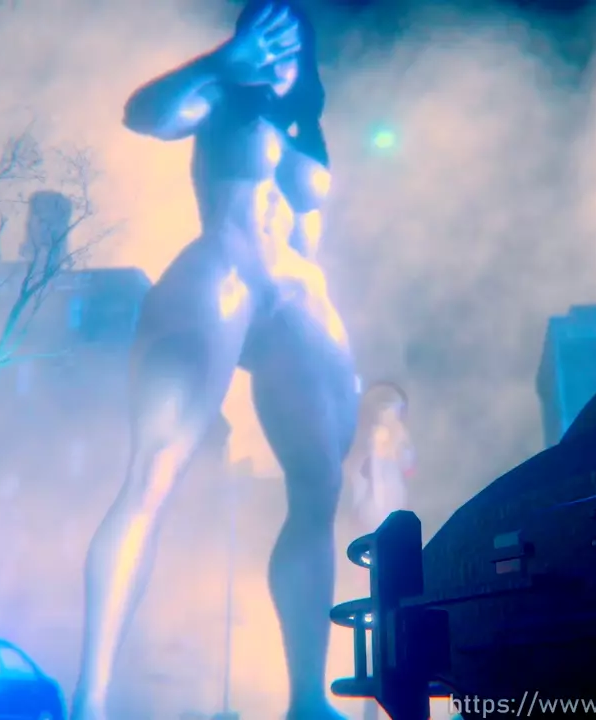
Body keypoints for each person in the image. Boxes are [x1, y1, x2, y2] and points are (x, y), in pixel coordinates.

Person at [72, 3, 357, 719]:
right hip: (223, 268)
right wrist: (220, 64)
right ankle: (90, 698)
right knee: (152, 474)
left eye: (291, 42)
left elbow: (312, 228)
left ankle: (306, 697)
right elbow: (143, 113)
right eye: (266, 37)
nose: (279, 55)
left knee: (319, 488)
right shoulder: (223, 100)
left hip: (295, 291)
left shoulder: (308, 128)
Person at [343, 381, 415, 534]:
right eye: (385, 410)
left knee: (392, 506)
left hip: (392, 481)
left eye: (392, 410)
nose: (389, 414)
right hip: (377, 483)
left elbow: (408, 464)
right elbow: (359, 470)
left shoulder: (400, 433)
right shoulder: (375, 436)